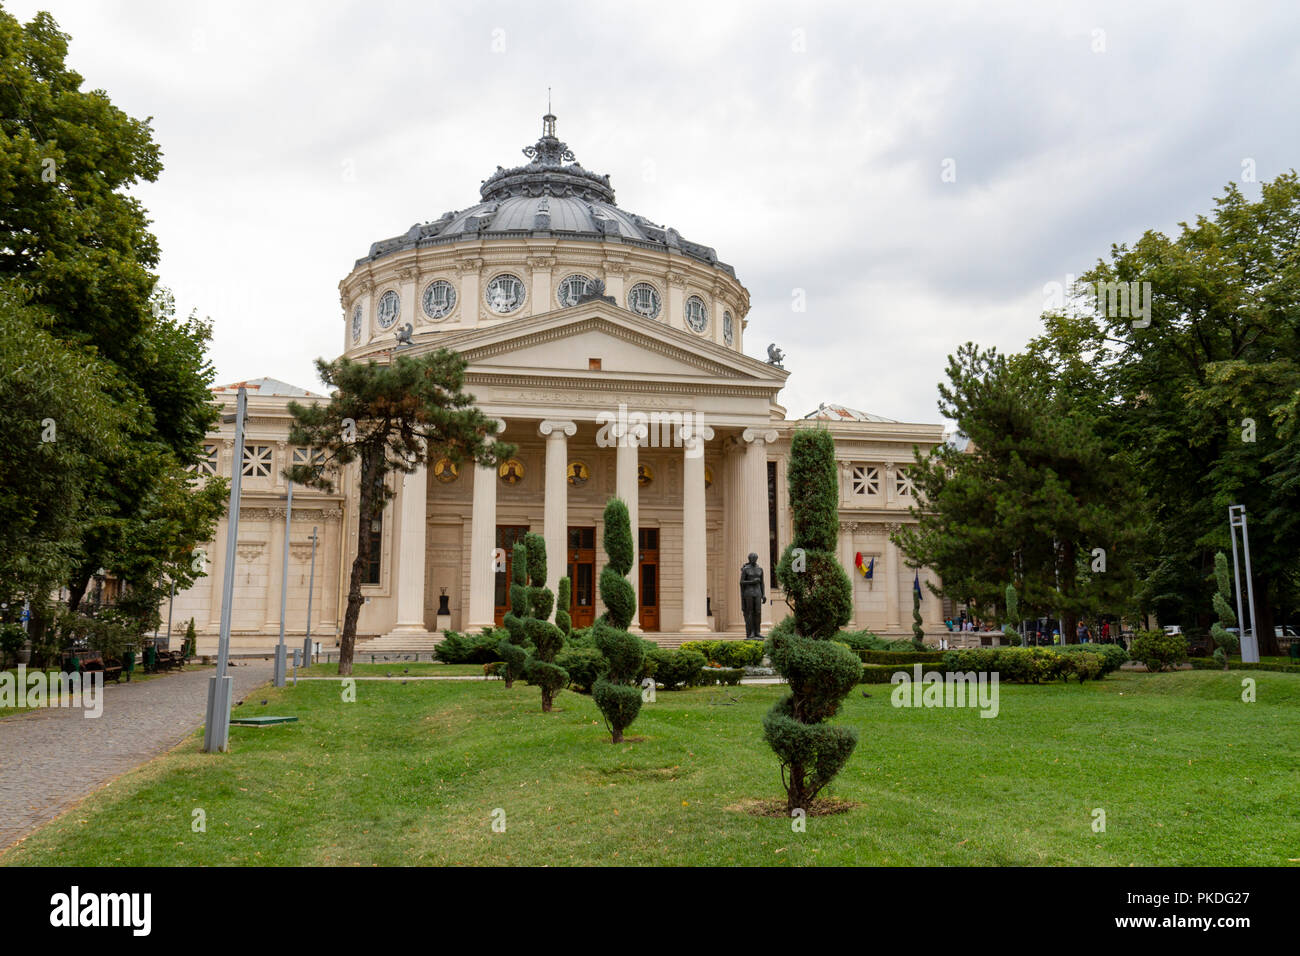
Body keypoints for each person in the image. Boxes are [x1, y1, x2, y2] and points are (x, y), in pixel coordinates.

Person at [739, 552, 766, 640]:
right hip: (748, 593)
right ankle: (751, 632)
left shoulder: (760, 569)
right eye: (752, 558)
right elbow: (741, 582)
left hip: (758, 592)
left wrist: (764, 594)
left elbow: (762, 583)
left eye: (755, 558)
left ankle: (757, 632)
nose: (754, 560)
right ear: (749, 559)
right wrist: (752, 582)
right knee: (750, 612)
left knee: (758, 612)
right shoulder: (746, 569)